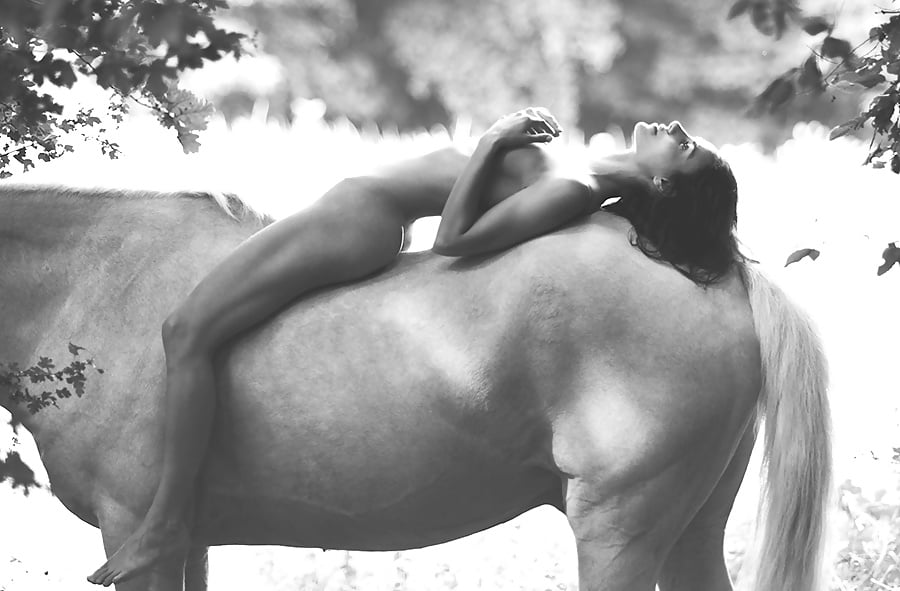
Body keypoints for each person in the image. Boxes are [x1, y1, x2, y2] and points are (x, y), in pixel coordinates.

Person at [87, 107, 741, 586]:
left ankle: (165, 519)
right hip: (360, 214)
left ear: (664, 185)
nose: (678, 131)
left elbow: (455, 239)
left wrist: (492, 141)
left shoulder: (580, 188)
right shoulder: (588, 175)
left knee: (185, 331)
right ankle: (171, 515)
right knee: (200, 330)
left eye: (687, 150)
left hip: (360, 218)